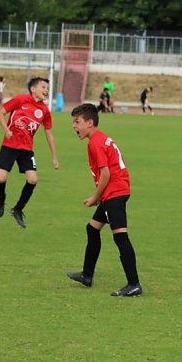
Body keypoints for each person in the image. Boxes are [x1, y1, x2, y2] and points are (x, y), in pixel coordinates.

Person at [66, 103, 143, 297]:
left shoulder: (95, 143)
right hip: (114, 191)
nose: (74, 126)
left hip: (114, 192)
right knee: (92, 228)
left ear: (90, 123)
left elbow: (106, 174)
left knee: (120, 236)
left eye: (77, 122)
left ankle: (134, 284)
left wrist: (95, 197)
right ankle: (87, 275)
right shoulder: (101, 138)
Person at [0, 76, 60, 228]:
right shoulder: (20, 99)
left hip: (26, 149)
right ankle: (1, 200)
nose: (46, 90)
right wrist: (6, 129)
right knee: (1, 178)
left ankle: (17, 209)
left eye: (47, 88)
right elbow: (0, 113)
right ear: (33, 88)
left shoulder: (44, 110)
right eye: (43, 87)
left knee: (33, 180)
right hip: (9, 145)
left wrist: (54, 157)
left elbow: (49, 133)